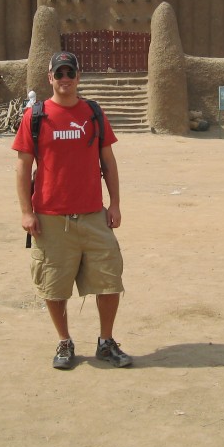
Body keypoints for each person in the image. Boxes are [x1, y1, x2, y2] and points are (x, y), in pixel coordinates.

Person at [12, 51, 132, 369]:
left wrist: (115, 204)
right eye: (59, 73)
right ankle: (64, 342)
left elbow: (108, 161)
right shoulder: (35, 116)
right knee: (55, 284)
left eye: (70, 73)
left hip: (93, 214)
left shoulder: (92, 113)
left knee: (109, 280)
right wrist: (27, 212)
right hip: (50, 217)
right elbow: (23, 168)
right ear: (50, 78)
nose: (65, 79)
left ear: (78, 77)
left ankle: (106, 342)